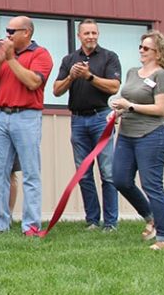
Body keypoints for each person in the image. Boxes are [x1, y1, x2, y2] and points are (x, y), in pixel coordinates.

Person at [0, 16, 53, 235]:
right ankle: (0, 223)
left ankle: (30, 225)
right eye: (7, 31)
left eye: (12, 31)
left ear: (27, 33)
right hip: (2, 116)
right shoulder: (3, 56)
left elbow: (33, 82)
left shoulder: (40, 54)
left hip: (27, 116)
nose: (8, 35)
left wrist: (11, 59)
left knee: (30, 173)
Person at [110, 31, 164, 250]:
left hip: (152, 135)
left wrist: (130, 106)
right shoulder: (132, 73)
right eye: (140, 46)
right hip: (127, 135)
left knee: (152, 185)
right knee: (120, 179)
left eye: (146, 48)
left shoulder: (161, 76)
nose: (141, 50)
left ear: (158, 53)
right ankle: (151, 218)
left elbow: (161, 108)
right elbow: (127, 101)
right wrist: (117, 112)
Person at [52, 19, 122, 231]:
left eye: (94, 33)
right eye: (87, 33)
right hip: (78, 120)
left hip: (101, 118)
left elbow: (114, 87)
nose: (91, 36)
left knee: (107, 172)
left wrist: (89, 76)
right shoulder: (69, 59)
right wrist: (71, 77)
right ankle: (92, 220)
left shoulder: (109, 57)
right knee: (83, 172)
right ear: (79, 36)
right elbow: (56, 90)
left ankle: (110, 222)